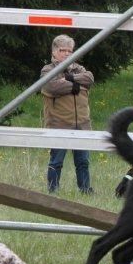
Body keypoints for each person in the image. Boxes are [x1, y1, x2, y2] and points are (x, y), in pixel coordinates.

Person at [40, 34, 94, 194]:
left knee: (83, 161)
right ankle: (53, 191)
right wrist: (76, 86)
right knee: (56, 161)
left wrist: (68, 78)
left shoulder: (79, 69)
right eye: (63, 50)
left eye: (70, 51)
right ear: (54, 51)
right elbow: (52, 87)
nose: (67, 54)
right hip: (59, 124)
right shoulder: (48, 70)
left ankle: (85, 190)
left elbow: (89, 78)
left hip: (83, 124)